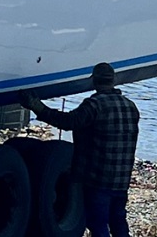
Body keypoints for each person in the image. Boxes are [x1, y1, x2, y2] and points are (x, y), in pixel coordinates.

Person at [20, 62, 140, 237]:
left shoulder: (94, 105)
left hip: (98, 178)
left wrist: (37, 106)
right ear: (114, 80)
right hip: (122, 179)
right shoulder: (131, 106)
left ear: (93, 81)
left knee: (97, 223)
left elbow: (68, 122)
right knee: (118, 221)